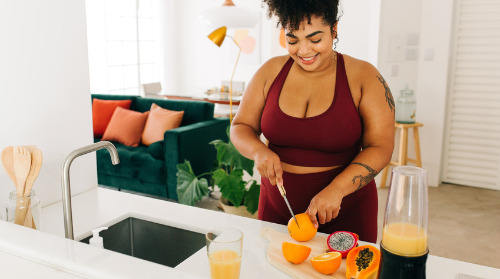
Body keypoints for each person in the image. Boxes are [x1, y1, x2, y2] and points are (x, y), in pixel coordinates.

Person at [230, 0, 394, 243]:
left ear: (334, 29)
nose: (303, 51)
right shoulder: (270, 71)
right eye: (292, 40)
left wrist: (337, 190)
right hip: (276, 210)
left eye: (315, 39)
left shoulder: (365, 76)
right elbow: (240, 126)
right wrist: (258, 152)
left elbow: (381, 147)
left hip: (345, 211)